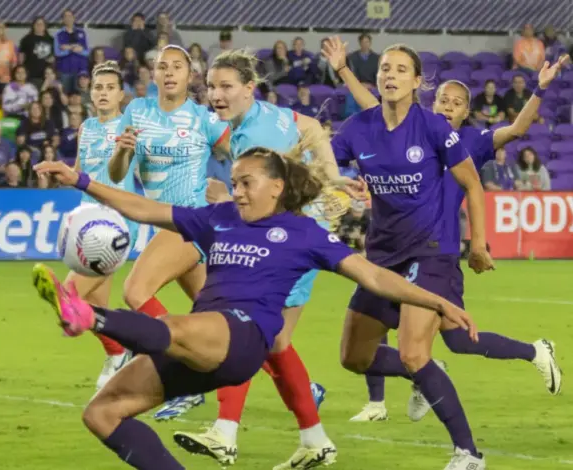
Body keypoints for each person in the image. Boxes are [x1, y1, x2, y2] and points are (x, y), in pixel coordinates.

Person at [30, 144, 479, 470]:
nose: (238, 192)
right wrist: (82, 181)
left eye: (247, 183)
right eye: (235, 183)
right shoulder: (220, 217)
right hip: (200, 344)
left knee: (176, 325)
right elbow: (144, 209)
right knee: (101, 413)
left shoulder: (304, 233)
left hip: (243, 338)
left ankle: (88, 316)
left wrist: (436, 301)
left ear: (276, 187)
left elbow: (375, 277)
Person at [323, 37, 565, 424]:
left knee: (454, 338)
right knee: (386, 322)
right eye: (444, 101)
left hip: (438, 250)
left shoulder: (472, 141)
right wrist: (343, 70)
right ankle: (382, 398)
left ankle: (531, 353)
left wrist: (540, 88)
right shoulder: (416, 127)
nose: (449, 106)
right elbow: (375, 107)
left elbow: (518, 128)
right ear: (432, 102)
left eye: (457, 103)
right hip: (399, 246)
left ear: (467, 111)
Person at [172, 49, 364, 469]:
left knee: (244, 328)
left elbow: (265, 201)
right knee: (274, 342)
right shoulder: (264, 116)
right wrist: (333, 175)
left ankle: (224, 432)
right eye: (212, 87)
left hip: (285, 241)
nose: (216, 95)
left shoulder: (255, 140)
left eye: (226, 87)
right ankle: (314, 440)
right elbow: (311, 126)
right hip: (299, 235)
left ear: (248, 88)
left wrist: (223, 199)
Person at [320, 40, 494, 470]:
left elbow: (472, 184)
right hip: (382, 257)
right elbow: (325, 170)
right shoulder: (358, 128)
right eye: (385, 68)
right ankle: (430, 372)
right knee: (354, 358)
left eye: (400, 69)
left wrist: (477, 244)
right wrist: (333, 188)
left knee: (414, 352)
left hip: (430, 252)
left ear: (417, 81)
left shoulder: (433, 127)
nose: (390, 75)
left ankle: (469, 453)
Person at [107, 44, 231, 419]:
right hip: (164, 225)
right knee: (222, 319)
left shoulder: (204, 119)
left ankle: (178, 367)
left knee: (135, 290)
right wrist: (122, 152)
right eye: (163, 66)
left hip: (191, 220)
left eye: (177, 66)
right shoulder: (137, 111)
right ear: (154, 74)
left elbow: (242, 155)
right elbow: (116, 173)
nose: (170, 72)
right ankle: (298, 382)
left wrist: (231, 191)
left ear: (190, 75)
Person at [57, 61, 137, 390]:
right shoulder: (86, 128)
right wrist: (62, 174)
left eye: (110, 88)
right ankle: (118, 352)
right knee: (96, 306)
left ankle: (143, 349)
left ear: (121, 95)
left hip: (113, 224)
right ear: (91, 94)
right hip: (85, 221)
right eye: (98, 88)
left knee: (68, 295)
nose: (103, 93)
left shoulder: (129, 128)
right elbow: (79, 172)